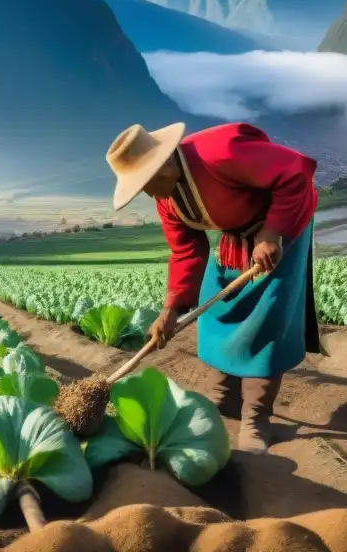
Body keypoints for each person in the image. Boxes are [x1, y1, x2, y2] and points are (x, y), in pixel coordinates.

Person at [105, 121, 323, 452]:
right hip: (236, 235)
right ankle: (224, 395)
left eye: (146, 184)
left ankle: (256, 417)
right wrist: (171, 309)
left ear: (165, 163)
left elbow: (296, 172)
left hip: (283, 222)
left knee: (266, 316)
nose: (147, 194)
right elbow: (186, 251)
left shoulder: (220, 154)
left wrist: (272, 232)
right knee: (215, 308)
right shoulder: (167, 200)